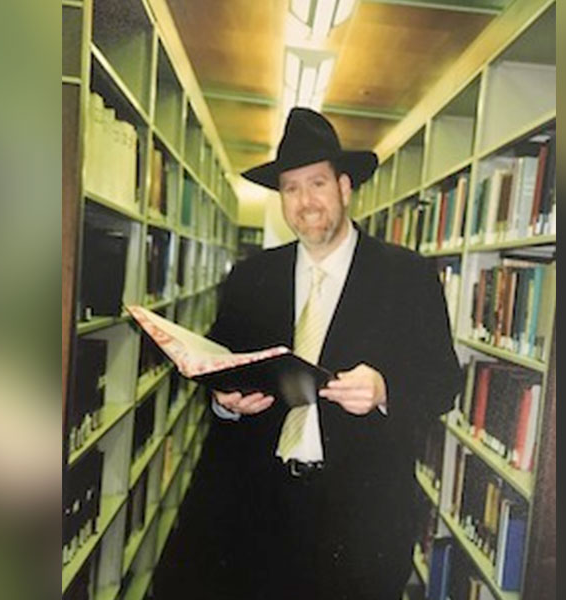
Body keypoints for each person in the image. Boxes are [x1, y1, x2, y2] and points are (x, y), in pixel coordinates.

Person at [153, 108, 462, 600]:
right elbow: (219, 361)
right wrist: (225, 402)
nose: (305, 202)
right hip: (258, 506)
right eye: (291, 189)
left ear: (344, 187)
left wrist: (385, 390)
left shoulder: (406, 277)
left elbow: (444, 381)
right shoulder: (252, 277)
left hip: (358, 519)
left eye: (316, 183)